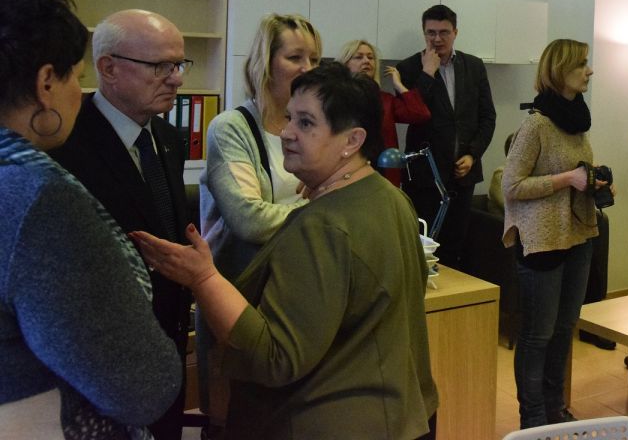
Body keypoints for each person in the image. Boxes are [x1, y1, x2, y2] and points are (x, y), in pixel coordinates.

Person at [131, 63, 438, 440]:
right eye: (290, 118)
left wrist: (204, 278)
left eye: (306, 123)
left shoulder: (321, 225)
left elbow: (275, 357)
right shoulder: (391, 198)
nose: (287, 132)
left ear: (352, 141)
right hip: (402, 417)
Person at [0, 0, 179, 437]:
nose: (77, 95)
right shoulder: (40, 198)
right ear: (45, 84)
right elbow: (141, 385)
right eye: (75, 79)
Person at [51, 8, 193, 440]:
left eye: (179, 65)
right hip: (104, 363)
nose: (176, 79)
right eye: (161, 67)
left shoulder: (169, 138)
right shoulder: (65, 143)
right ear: (109, 68)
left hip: (167, 345)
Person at [197, 13, 320, 428]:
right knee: (236, 419)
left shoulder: (313, 128)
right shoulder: (231, 128)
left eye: (314, 59)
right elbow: (248, 219)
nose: (307, 69)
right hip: (240, 296)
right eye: (295, 57)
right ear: (265, 64)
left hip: (295, 295)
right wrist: (319, 209)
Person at [502, 39, 609, 428]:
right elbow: (512, 186)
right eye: (582, 64)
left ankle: (555, 409)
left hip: (578, 235)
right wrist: (568, 179)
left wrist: (594, 182)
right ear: (560, 70)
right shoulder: (536, 125)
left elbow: (577, 170)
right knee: (538, 336)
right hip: (543, 242)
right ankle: (533, 421)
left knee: (564, 330)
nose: (589, 71)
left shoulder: (577, 120)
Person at [398, 4, 496, 268]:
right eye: (431, 33)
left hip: (463, 174)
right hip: (424, 176)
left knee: (456, 245)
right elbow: (411, 114)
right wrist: (427, 74)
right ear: (423, 33)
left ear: (455, 33)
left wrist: (473, 154)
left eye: (444, 32)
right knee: (421, 245)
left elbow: (488, 117)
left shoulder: (474, 66)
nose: (437, 39)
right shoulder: (408, 68)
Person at [338, 38, 430, 186]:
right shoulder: (335, 99)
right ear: (345, 64)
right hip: (346, 174)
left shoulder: (385, 99)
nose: (366, 61)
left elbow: (420, 114)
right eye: (359, 57)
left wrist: (399, 85)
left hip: (383, 176)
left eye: (370, 57)